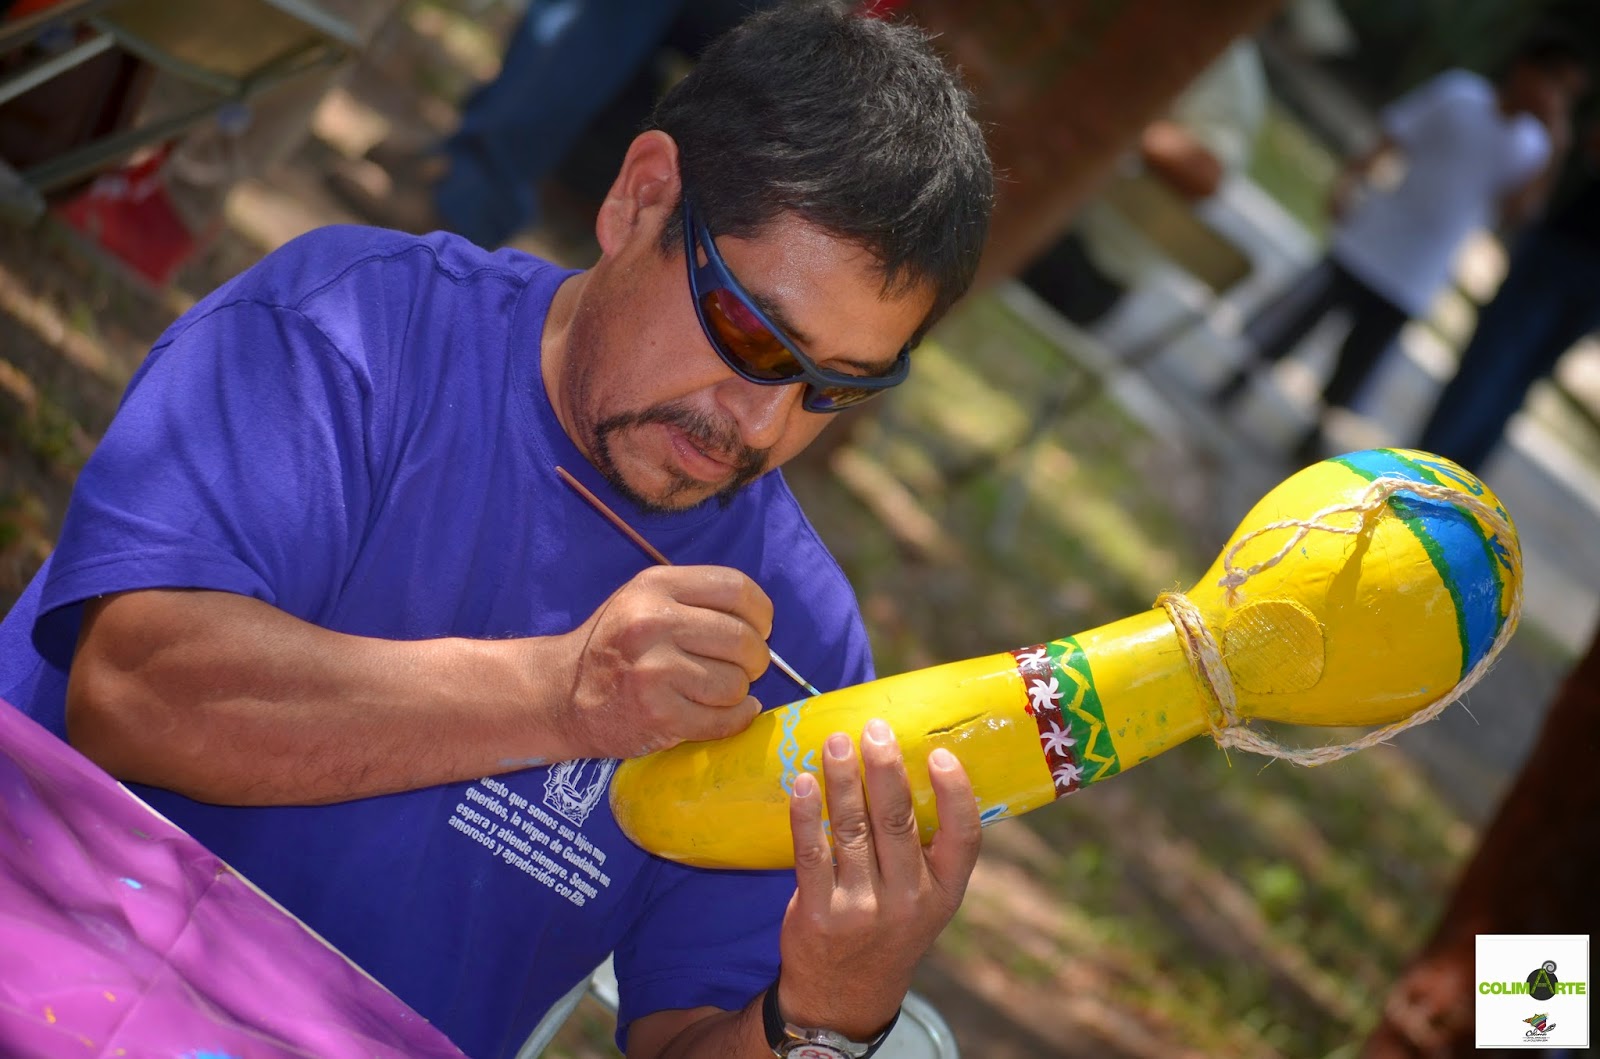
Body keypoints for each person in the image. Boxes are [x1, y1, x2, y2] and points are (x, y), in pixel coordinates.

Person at [0, 5, 994, 1059]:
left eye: (835, 388)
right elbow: (134, 692)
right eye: (750, 333)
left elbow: (687, 1039)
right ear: (641, 196)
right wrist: (557, 698)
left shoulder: (797, 637)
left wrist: (824, 1012)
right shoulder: (355, 332)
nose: (760, 422)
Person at [1213, 35, 1589, 463]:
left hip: (1420, 271)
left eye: (1567, 96)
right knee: (1302, 314)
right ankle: (1242, 375)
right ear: (1526, 69)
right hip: (1374, 236)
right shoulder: (1461, 95)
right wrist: (1351, 179)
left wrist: (1555, 154)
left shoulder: (1531, 148)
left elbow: (1517, 214)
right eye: (1554, 83)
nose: (1554, 100)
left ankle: (1317, 427)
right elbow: (1395, 134)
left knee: (1362, 358)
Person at [1414, 150, 1600, 473]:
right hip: (1580, 267)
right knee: (1517, 382)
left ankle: (1423, 472)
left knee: (1491, 365)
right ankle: (1457, 483)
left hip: (1568, 247)